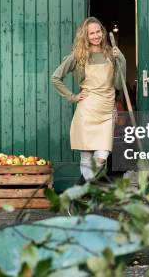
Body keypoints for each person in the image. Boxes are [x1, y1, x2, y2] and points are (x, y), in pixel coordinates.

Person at [51, 17, 126, 184]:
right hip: (87, 110)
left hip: (106, 111)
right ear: (85, 36)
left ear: (103, 32)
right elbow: (55, 77)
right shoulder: (79, 56)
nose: (96, 36)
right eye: (91, 33)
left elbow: (119, 84)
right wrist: (73, 96)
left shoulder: (110, 54)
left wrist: (121, 59)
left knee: (101, 157)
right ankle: (91, 195)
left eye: (98, 31)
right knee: (86, 156)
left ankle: (83, 191)